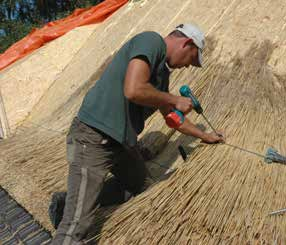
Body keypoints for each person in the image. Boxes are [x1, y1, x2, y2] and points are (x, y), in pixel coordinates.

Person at [51, 23, 224, 244]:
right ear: (186, 43)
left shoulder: (161, 76)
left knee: (136, 185)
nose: (187, 66)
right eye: (191, 59)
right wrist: (174, 99)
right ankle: (73, 212)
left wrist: (205, 136)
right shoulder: (151, 41)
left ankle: (67, 203)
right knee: (76, 228)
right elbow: (133, 90)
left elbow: (172, 117)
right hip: (94, 137)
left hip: (121, 145)